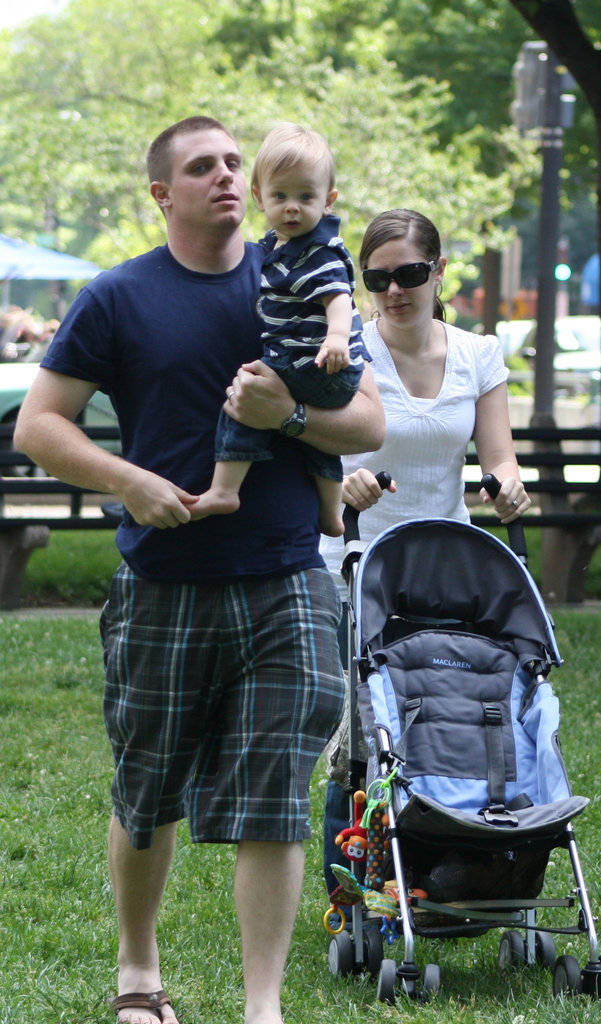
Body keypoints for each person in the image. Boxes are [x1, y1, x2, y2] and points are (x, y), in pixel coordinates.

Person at [13, 116, 385, 1024]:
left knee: (272, 791)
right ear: (161, 193)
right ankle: (139, 976)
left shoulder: (300, 277)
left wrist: (288, 416)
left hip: (288, 575)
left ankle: (263, 1009)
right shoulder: (119, 297)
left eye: (232, 161)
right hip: (164, 581)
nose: (225, 176)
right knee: (149, 789)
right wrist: (130, 481)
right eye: (202, 167)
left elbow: (369, 422)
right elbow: (39, 427)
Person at [317, 207, 531, 893]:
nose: (392, 291)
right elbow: (316, 449)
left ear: (439, 271)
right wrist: (341, 481)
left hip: (445, 567)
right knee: (362, 731)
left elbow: (501, 458)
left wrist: (507, 490)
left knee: (443, 711)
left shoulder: (478, 354)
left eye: (409, 274)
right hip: (358, 559)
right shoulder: (347, 349)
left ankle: (448, 862)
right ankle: (351, 882)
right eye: (375, 279)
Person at [193, 122, 367, 537]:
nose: (292, 208)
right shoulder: (278, 247)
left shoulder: (317, 251)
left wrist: (337, 338)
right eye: (280, 196)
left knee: (246, 398)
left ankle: (224, 488)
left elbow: (339, 298)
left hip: (317, 362)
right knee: (317, 436)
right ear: (259, 196)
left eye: (306, 197)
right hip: (322, 369)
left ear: (328, 200)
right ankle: (330, 513)